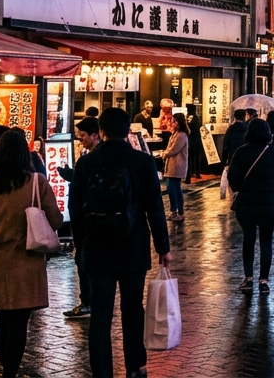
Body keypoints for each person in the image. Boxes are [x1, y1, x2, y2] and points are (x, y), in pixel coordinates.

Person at [70, 107, 171, 378]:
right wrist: (163, 247)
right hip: (132, 246)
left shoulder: (87, 163)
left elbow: (75, 208)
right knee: (132, 309)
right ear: (128, 131)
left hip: (97, 247)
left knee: (100, 315)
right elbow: (154, 207)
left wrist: (81, 245)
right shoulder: (141, 161)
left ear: (100, 131)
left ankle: (101, 371)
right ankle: (135, 366)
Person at [0, 130, 62, 378]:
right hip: (26, 261)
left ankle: (6, 371)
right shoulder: (37, 183)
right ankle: (10, 373)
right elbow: (55, 220)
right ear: (25, 153)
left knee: (2, 319)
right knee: (19, 322)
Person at [228, 118, 274, 292]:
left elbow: (233, 178)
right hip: (268, 205)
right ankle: (264, 281)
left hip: (247, 204)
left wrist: (241, 189)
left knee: (248, 239)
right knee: (266, 241)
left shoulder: (240, 152)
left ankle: (248, 278)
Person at [62, 116, 101, 318]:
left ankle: (89, 302)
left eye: (83, 136)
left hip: (87, 224)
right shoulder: (87, 158)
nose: (81, 140)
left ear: (96, 135)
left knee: (86, 263)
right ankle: (91, 301)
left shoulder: (89, 161)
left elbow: (79, 196)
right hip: (90, 224)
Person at [162, 113, 190, 222]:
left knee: (173, 188)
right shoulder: (175, 134)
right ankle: (176, 212)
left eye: (173, 121)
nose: (171, 123)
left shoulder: (181, 135)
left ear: (178, 122)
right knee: (175, 189)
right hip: (172, 165)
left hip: (177, 166)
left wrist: (164, 154)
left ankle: (178, 212)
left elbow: (174, 149)